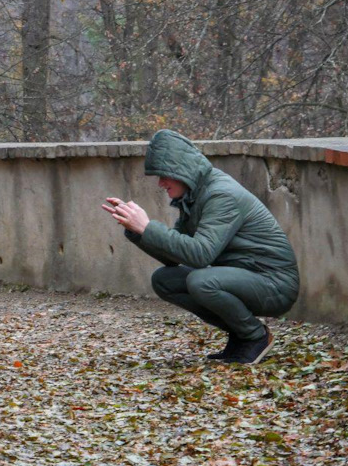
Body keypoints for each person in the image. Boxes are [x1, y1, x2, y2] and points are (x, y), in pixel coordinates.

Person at [103, 129, 299, 364]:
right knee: (165, 279)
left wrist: (147, 227)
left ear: (181, 169)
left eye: (164, 174)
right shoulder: (195, 195)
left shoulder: (221, 195)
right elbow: (172, 258)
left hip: (274, 284)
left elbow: (200, 255)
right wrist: (136, 230)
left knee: (201, 281)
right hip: (245, 278)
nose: (160, 183)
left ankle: (254, 337)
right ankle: (241, 335)